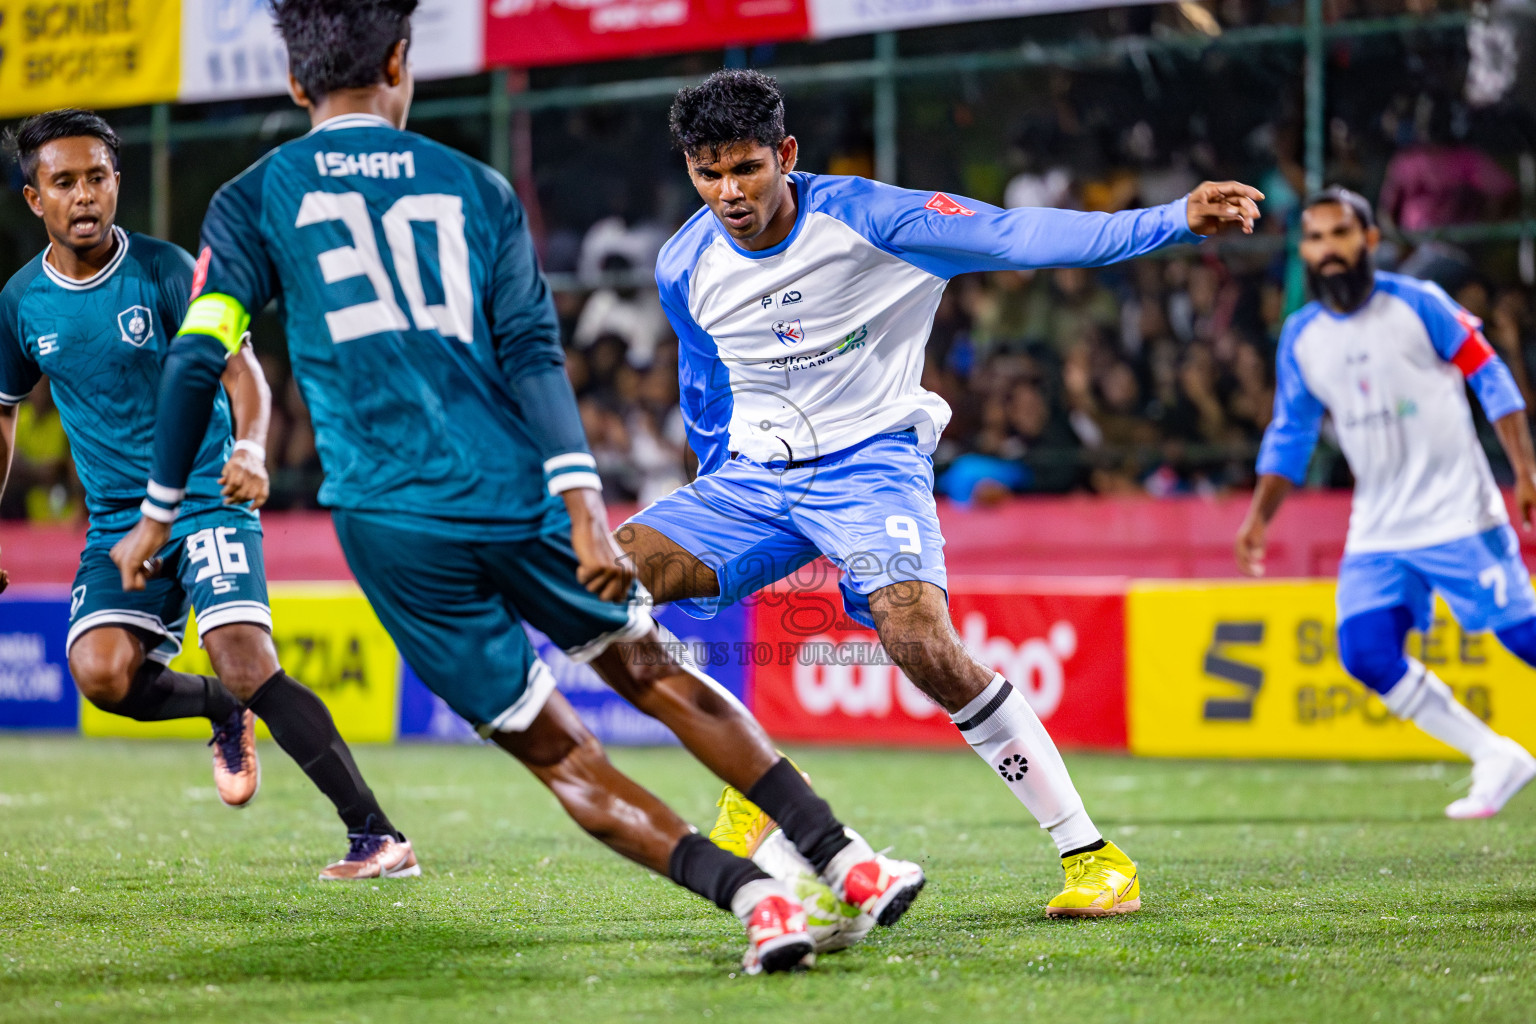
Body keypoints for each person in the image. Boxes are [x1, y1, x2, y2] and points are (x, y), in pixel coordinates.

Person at [111, 0, 919, 975]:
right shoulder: (477, 187)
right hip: (518, 491)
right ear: (401, 61)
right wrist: (584, 505)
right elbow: (536, 354)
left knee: (560, 751)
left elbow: (199, 358)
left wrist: (158, 508)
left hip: (395, 521)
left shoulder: (251, 199)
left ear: (294, 83)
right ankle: (844, 856)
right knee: (653, 669)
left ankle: (754, 898)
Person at [616, 68, 1263, 917]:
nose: (729, 193)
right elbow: (704, 385)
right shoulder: (684, 262)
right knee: (595, 582)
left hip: (868, 464)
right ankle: (761, 782)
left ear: (787, 154)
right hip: (750, 481)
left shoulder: (875, 220)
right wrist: (708, 490)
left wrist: (1171, 219)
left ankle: (1092, 855)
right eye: (708, 173)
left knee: (920, 641)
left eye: (746, 168)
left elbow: (1019, 236)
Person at [0, 108, 416, 880]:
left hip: (207, 495)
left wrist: (252, 448)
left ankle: (377, 837)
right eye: (65, 182)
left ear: (117, 180)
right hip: (119, 524)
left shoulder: (167, 269)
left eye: (98, 176)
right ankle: (220, 711)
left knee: (244, 658)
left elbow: (243, 374)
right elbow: (3, 413)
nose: (85, 195)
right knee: (101, 675)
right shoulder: (20, 304)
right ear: (36, 200)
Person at [1237, 187, 1536, 817]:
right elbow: (1290, 436)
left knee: (1525, 638)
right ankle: (1495, 755)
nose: (1328, 249)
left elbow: (1491, 373)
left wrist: (1525, 472)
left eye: (1340, 234)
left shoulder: (1418, 304)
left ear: (1370, 241)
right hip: (1378, 525)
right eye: (1315, 239)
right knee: (1366, 653)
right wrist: (1260, 519)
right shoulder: (1302, 336)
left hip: (1460, 511)